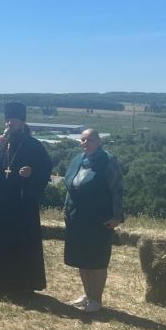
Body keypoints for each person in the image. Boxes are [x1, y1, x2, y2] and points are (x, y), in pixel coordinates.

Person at [0, 102, 53, 297]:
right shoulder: (1, 145)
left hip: (21, 205)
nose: (10, 123)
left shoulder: (34, 146)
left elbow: (45, 171)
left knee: (20, 244)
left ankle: (21, 285)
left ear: (22, 122)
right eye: (8, 120)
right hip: (0, 205)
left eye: (14, 120)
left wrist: (32, 173)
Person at [63, 128, 123, 313]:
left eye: (89, 140)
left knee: (97, 260)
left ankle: (97, 299)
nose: (85, 143)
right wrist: (66, 209)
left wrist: (117, 216)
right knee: (82, 259)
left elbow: (117, 189)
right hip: (77, 217)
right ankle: (87, 295)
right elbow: (70, 187)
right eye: (82, 140)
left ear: (99, 141)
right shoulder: (78, 160)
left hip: (99, 218)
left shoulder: (108, 161)